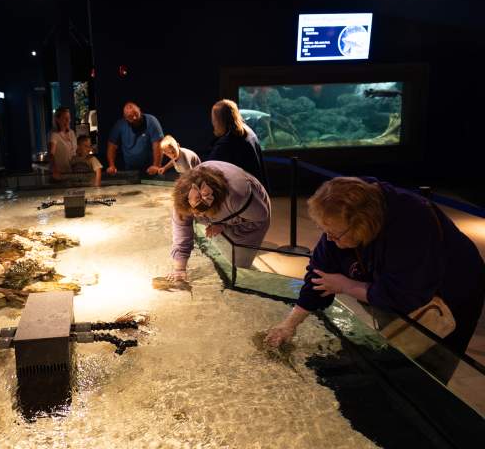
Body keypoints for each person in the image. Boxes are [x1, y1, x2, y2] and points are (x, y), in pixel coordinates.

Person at [265, 177, 485, 381]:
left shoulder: (412, 224)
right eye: (325, 231)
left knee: (425, 373)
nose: (329, 239)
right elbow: (319, 275)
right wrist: (289, 324)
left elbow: (403, 296)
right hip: (394, 287)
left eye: (335, 234)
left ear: (363, 225)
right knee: (396, 348)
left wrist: (346, 285)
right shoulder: (339, 222)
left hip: (449, 296)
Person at [168, 160, 271, 281]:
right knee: (222, 255)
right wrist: (179, 269)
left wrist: (224, 226)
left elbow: (260, 217)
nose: (197, 216)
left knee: (239, 272)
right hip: (223, 213)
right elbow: (182, 229)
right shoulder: (184, 195)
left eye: (200, 213)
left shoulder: (238, 196)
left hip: (250, 215)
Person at [207, 99, 269, 191]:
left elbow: (207, 171)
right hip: (257, 191)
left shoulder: (226, 144)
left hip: (244, 196)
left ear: (220, 120)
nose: (213, 123)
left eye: (214, 119)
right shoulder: (248, 132)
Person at [106, 101, 164, 176]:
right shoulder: (120, 125)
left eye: (136, 114)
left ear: (139, 110)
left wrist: (156, 165)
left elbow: (158, 144)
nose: (135, 118)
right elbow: (112, 145)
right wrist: (111, 165)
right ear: (125, 117)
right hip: (129, 169)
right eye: (130, 117)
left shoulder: (151, 121)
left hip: (150, 169)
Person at [49, 107, 77, 180]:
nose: (68, 121)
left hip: (72, 172)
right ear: (58, 120)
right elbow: (51, 154)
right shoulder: (54, 135)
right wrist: (55, 170)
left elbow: (75, 152)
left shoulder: (72, 133)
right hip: (60, 174)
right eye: (65, 118)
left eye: (69, 118)